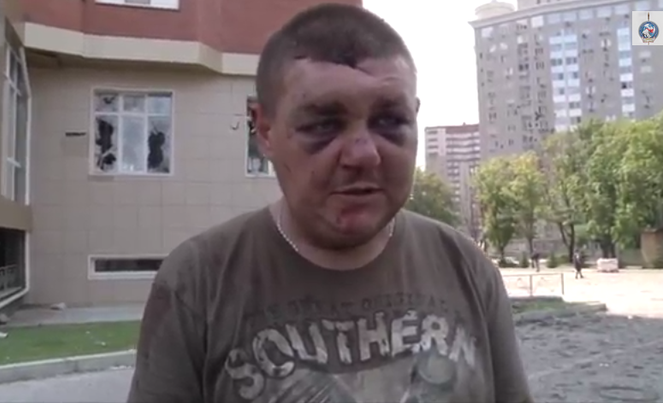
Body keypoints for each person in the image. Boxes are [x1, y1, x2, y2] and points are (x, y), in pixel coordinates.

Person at [127, 4, 533, 403]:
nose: (363, 154)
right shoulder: (197, 284)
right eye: (324, 124)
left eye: (390, 121)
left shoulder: (467, 269)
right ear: (264, 130)